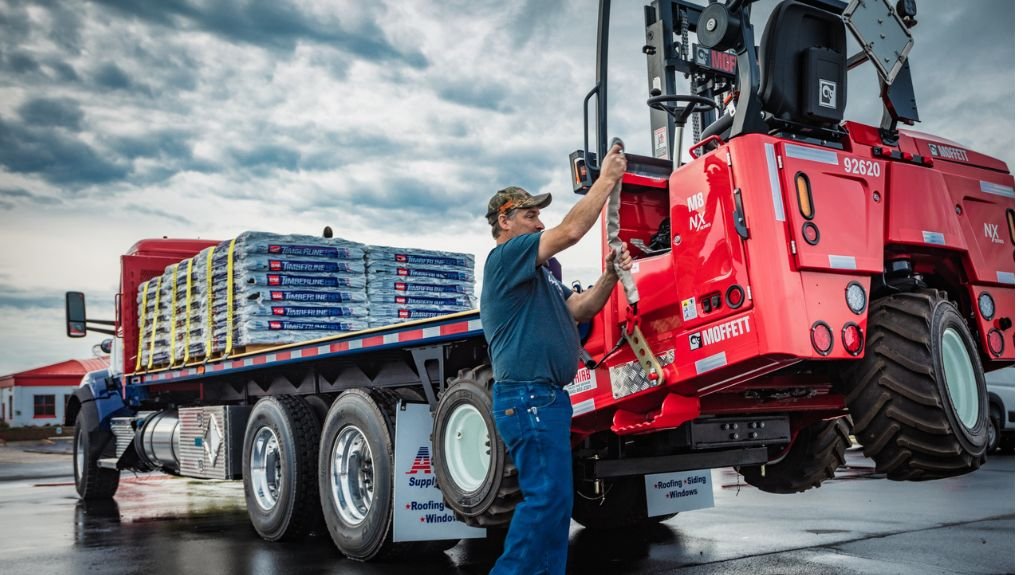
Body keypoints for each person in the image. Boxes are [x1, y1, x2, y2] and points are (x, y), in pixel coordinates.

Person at [480, 143, 630, 575]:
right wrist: (606, 180)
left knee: (554, 503)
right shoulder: (505, 259)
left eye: (539, 215)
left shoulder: (541, 278)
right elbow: (568, 232)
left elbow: (580, 309)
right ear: (504, 221)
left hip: (544, 400)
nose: (540, 221)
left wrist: (609, 276)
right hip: (527, 398)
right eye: (530, 215)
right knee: (546, 500)